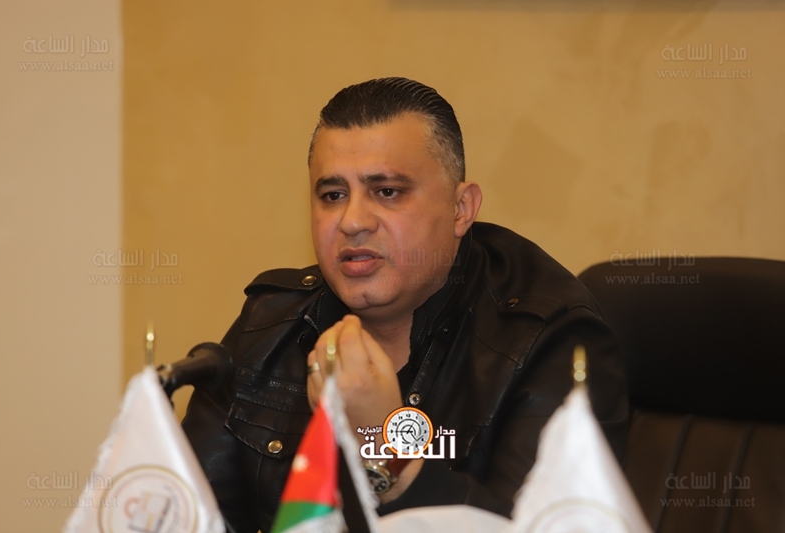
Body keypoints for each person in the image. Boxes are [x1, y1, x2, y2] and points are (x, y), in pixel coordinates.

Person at [182, 77, 628, 533]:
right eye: (333, 195)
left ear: (461, 208)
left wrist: (388, 453)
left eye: (387, 191)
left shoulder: (552, 340)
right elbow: (188, 516)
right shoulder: (271, 324)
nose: (353, 222)